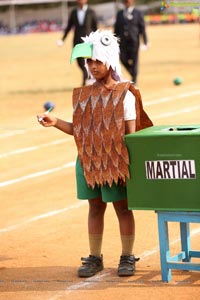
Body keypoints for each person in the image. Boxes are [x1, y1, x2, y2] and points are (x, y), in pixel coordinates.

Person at [38, 30, 153, 277]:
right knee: (95, 208)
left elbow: (130, 135)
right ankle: (94, 257)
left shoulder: (126, 94)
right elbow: (78, 131)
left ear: (110, 60)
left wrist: (125, 164)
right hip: (88, 162)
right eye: (89, 61)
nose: (93, 66)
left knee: (122, 209)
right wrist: (54, 121)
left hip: (116, 163)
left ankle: (127, 256)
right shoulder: (84, 95)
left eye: (98, 60)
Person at [57, 0, 97, 86]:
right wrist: (62, 39)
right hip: (77, 42)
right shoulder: (74, 12)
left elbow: (95, 28)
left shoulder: (91, 12)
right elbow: (69, 27)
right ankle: (87, 77)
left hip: (88, 42)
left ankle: (85, 81)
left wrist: (96, 41)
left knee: (86, 62)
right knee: (79, 63)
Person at [114, 0, 148, 85]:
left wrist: (145, 41)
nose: (127, 2)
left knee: (134, 60)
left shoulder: (138, 13)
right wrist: (114, 40)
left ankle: (134, 79)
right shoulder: (120, 14)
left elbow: (142, 28)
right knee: (122, 59)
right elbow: (116, 29)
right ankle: (133, 74)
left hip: (134, 41)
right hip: (122, 42)